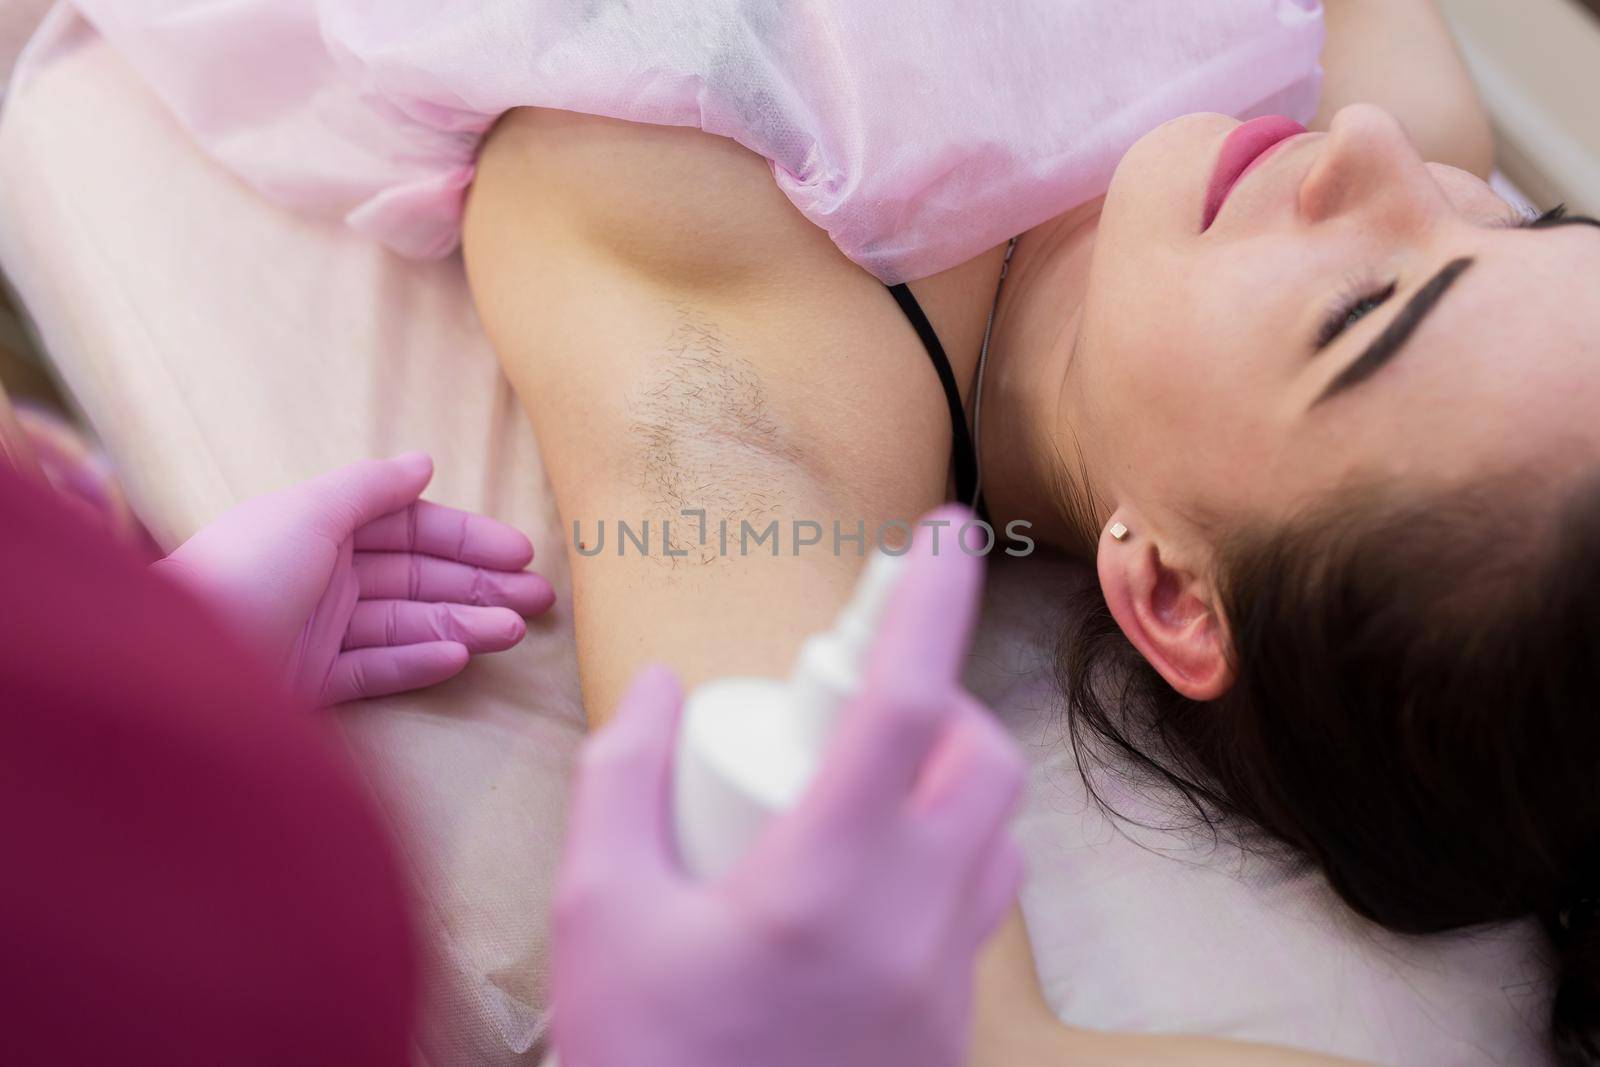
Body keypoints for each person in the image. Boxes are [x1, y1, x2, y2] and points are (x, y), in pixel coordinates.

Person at [37, 0, 1599, 1061]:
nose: (1379, 163)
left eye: (1363, 314)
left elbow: (954, 1029)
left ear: (1174, 598)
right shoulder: (1400, 115)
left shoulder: (747, 328)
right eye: (1511, 220)